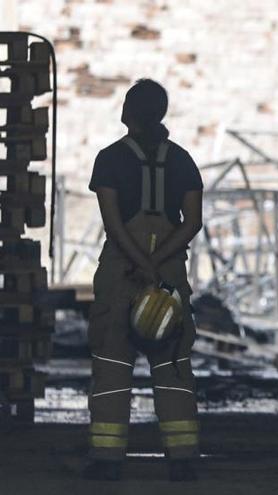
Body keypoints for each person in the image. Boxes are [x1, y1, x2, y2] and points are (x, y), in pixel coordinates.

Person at [84, 79, 204, 482]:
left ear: (127, 113)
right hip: (169, 273)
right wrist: (158, 263)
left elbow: (113, 223)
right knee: (172, 365)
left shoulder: (109, 160)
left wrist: (141, 262)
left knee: (113, 362)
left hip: (122, 272)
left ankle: (107, 460)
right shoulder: (183, 160)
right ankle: (183, 458)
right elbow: (193, 222)